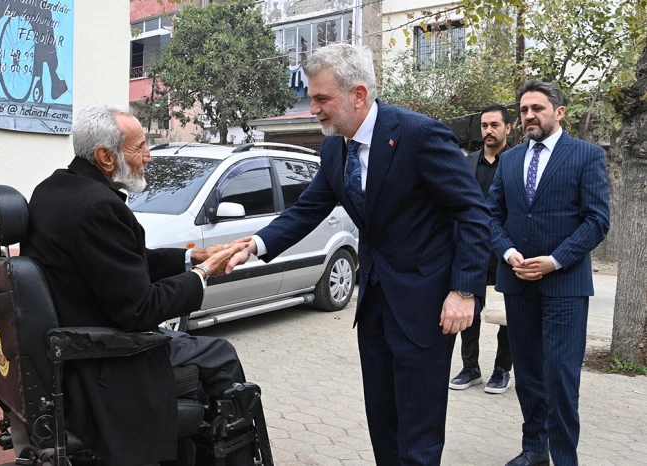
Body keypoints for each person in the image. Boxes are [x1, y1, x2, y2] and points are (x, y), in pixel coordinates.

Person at [228, 43, 492, 465]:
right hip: (372, 307)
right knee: (383, 425)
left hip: (425, 305)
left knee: (419, 434)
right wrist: (253, 246)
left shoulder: (420, 135)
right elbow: (308, 209)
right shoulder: (334, 147)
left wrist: (464, 290)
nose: (312, 109)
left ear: (358, 94)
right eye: (311, 97)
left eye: (321, 98)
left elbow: (472, 212)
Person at [21, 103, 251, 466]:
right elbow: (138, 310)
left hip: (76, 339)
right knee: (221, 355)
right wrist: (202, 276)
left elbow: (122, 264)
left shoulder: (53, 189)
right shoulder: (99, 208)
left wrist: (192, 258)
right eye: (140, 146)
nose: (148, 156)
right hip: (106, 359)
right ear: (105, 157)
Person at [487, 81, 609, 466]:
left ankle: (564, 458)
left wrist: (554, 260)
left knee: (559, 378)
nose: (528, 116)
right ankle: (535, 450)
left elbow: (597, 220)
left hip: (564, 285)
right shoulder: (509, 160)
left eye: (537, 108)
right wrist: (508, 253)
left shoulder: (586, 155)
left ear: (559, 112)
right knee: (528, 375)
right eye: (523, 110)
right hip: (517, 283)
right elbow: (490, 216)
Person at [449, 104, 514, 394]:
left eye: (495, 125)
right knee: (469, 312)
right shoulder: (468, 162)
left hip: (505, 252)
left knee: (505, 317)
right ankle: (470, 368)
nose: (488, 130)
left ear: (508, 129)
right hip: (472, 251)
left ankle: (502, 370)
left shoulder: (516, 162)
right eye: (485, 125)